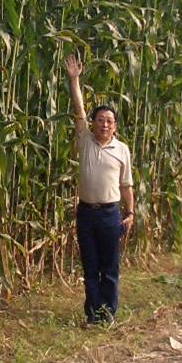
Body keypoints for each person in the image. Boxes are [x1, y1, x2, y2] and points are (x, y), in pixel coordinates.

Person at [63, 55, 135, 324]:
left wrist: (130, 212)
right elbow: (78, 110)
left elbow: (126, 184)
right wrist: (74, 80)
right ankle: (93, 314)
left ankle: (109, 313)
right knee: (90, 266)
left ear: (115, 126)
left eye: (110, 121)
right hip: (86, 213)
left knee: (110, 268)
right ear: (93, 123)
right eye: (101, 120)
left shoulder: (122, 150)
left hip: (109, 214)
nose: (105, 124)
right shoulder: (85, 141)